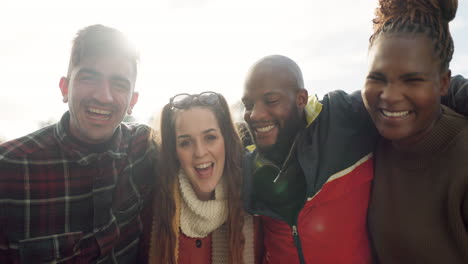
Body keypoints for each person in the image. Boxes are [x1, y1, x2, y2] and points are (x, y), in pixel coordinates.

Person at [241, 53, 468, 263]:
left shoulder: (342, 119)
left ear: (301, 98)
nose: (255, 114)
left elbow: (413, 90)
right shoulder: (244, 166)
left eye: (271, 101)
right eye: (248, 104)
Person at [0, 24, 156, 263]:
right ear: (64, 88)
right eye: (89, 78)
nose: (103, 96)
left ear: (132, 101)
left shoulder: (144, 148)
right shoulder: (8, 168)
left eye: (119, 84)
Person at [363, 0, 468, 263]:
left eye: (412, 80)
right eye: (377, 78)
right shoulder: (368, 138)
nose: (390, 96)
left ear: (443, 82)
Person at [140, 92, 262, 264]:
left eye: (210, 138)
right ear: (174, 151)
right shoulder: (152, 211)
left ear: (226, 141)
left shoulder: (256, 208)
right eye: (185, 142)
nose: (200, 152)